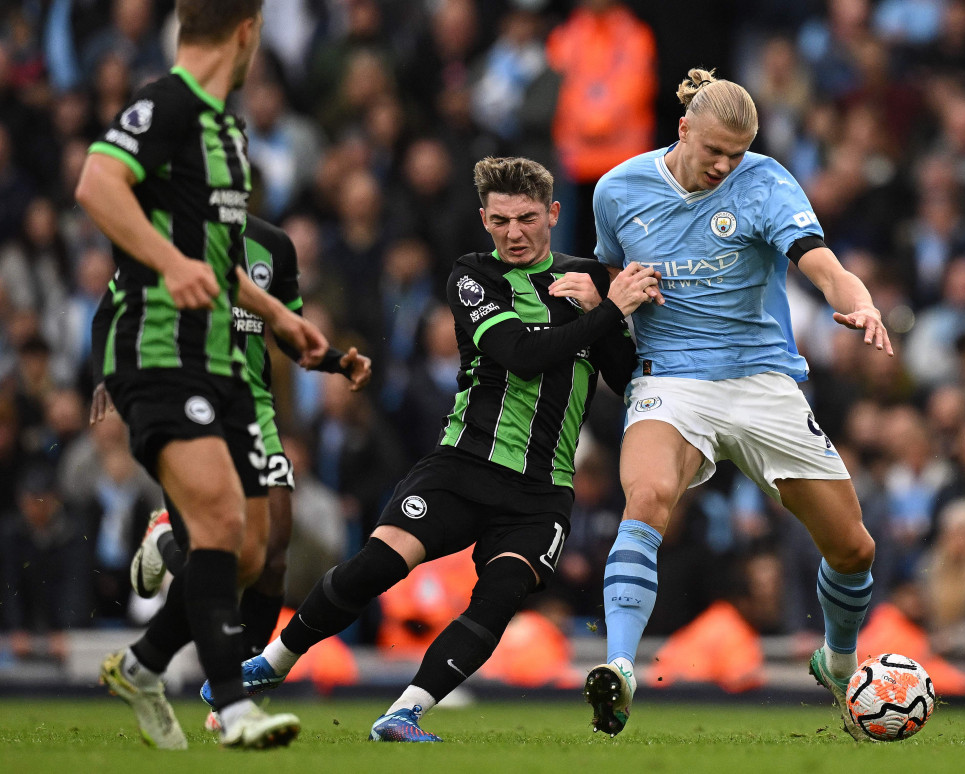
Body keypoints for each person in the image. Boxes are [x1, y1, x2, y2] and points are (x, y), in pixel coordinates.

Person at [201, 156, 660, 741]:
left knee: (498, 600)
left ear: (553, 213)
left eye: (525, 219)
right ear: (483, 220)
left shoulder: (590, 281)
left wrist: (602, 310)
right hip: (463, 464)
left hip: (543, 490)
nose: (513, 233)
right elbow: (519, 353)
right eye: (499, 221)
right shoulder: (474, 276)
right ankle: (271, 664)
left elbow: (623, 377)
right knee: (378, 565)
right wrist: (611, 310)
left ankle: (404, 712)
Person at [583, 67, 892, 742]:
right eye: (714, 151)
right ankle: (619, 668)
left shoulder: (766, 180)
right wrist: (623, 292)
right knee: (648, 498)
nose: (725, 166)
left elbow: (819, 261)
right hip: (674, 379)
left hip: (760, 379)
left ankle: (838, 663)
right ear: (683, 128)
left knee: (852, 547)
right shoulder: (617, 190)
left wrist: (859, 302)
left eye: (737, 153)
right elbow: (611, 273)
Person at [74, 0, 328, 750]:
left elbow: (220, 261)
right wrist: (169, 261)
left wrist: (278, 317)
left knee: (249, 551)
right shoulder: (169, 102)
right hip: (158, 349)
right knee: (219, 525)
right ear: (248, 32)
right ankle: (234, 707)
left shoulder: (224, 129)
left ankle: (145, 664)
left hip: (223, 361)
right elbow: (96, 185)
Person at [90, 215, 372, 726]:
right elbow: (113, 305)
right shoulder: (170, 231)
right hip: (187, 396)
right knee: (223, 553)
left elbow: (287, 331)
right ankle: (222, 696)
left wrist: (333, 360)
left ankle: (236, 690)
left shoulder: (275, 247)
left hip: (252, 402)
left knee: (273, 556)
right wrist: (103, 374)